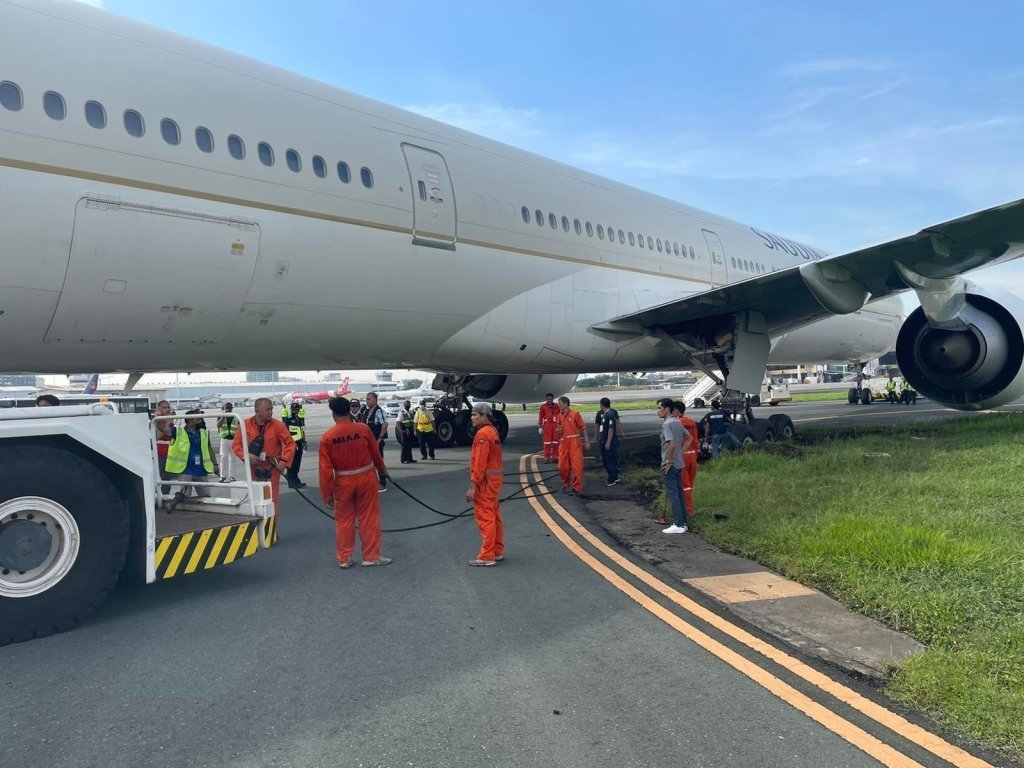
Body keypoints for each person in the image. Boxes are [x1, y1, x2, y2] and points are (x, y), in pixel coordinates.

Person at [318, 397, 391, 568]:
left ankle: (344, 558)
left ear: (333, 414)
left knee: (344, 520)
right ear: (349, 411)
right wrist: (382, 469)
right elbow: (375, 453)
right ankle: (371, 556)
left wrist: (327, 494)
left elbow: (325, 470)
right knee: (369, 517)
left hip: (343, 482)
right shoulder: (363, 429)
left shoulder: (327, 437)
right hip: (366, 478)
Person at [233, 397, 295, 536]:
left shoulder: (278, 425)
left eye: (271, 409)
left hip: (272, 468)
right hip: (254, 468)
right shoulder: (244, 425)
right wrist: (245, 456)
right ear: (257, 411)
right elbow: (236, 445)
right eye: (267, 410)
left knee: (272, 500)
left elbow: (290, 444)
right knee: (255, 498)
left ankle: (271, 530)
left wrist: (283, 462)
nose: (270, 412)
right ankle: (257, 530)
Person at [466, 402, 505, 567]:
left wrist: (473, 486)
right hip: (494, 480)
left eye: (474, 415)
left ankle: (487, 556)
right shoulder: (492, 431)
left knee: (485, 517)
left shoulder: (482, 434)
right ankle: (497, 550)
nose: (472, 418)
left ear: (484, 416)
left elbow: (480, 464)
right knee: (494, 516)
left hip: (485, 482)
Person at [166, 409, 218, 497]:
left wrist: (215, 464)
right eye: (197, 417)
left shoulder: (204, 433)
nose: (200, 419)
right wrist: (166, 418)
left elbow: (209, 448)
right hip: (186, 470)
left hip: (201, 470)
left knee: (206, 497)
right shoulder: (178, 432)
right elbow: (164, 429)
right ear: (190, 420)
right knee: (185, 497)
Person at [657, 398, 690, 534]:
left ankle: (678, 524)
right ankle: (683, 522)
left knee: (673, 494)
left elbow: (671, 444)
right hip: (679, 463)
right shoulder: (677, 421)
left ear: (667, 409)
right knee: (680, 493)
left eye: (659, 408)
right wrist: (680, 454)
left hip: (670, 465)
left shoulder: (667, 424)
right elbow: (689, 438)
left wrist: (669, 461)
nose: (658, 411)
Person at [555, 396, 590, 494]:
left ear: (565, 404)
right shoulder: (559, 416)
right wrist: (558, 430)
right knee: (562, 466)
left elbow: (583, 428)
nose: (558, 405)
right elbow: (559, 429)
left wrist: (587, 441)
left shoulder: (575, 414)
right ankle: (566, 482)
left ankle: (577, 487)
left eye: (560, 403)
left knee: (576, 466)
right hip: (563, 443)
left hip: (574, 442)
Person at [673, 401, 700, 519]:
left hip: (682, 455)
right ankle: (688, 506)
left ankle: (687, 509)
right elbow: (695, 440)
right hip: (692, 455)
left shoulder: (676, 423)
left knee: (684, 485)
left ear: (676, 411)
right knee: (690, 484)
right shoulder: (692, 422)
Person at [364, 392, 389, 491]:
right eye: (367, 399)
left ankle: (382, 483)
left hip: (376, 441)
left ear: (375, 400)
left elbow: (385, 424)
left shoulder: (379, 411)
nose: (367, 401)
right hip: (368, 442)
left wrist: (379, 439)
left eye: (369, 399)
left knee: (378, 461)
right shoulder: (366, 411)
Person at [281, 402, 308, 488]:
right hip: (292, 444)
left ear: (298, 410)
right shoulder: (288, 420)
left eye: (296, 409)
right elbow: (284, 433)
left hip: (299, 443)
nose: (294, 411)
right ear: (290, 410)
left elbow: (302, 431)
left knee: (297, 464)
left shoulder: (299, 419)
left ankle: (295, 480)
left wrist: (304, 441)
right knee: (292, 464)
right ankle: (293, 482)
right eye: (293, 409)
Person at [596, 397, 621, 486]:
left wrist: (608, 442)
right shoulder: (606, 414)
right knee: (610, 460)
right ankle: (615, 477)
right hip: (604, 439)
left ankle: (611, 480)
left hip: (608, 441)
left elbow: (611, 429)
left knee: (609, 460)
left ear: (601, 405)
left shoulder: (609, 414)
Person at [153, 399, 174, 494]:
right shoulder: (157, 421)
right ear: (159, 409)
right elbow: (159, 435)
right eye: (164, 407)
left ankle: (165, 495)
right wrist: (168, 422)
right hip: (161, 452)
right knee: (163, 475)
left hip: (171, 451)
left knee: (167, 476)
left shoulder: (169, 420)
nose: (167, 409)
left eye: (168, 407)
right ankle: (161, 495)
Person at [216, 402, 239, 482]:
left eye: (229, 408)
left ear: (232, 408)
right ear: (223, 408)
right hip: (224, 439)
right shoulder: (220, 416)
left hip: (233, 439)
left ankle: (231, 476)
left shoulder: (235, 416)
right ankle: (223, 476)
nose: (228, 410)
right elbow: (218, 425)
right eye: (226, 408)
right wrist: (223, 416)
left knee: (233, 458)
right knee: (223, 457)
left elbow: (239, 428)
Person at [537, 393, 560, 463]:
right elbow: (541, 417)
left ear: (553, 399)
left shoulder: (557, 406)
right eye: (548, 399)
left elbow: (560, 416)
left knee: (556, 442)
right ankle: (546, 458)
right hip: (547, 426)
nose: (549, 400)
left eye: (551, 399)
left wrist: (560, 425)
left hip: (555, 425)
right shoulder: (543, 407)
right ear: (546, 399)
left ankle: (555, 457)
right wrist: (540, 427)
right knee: (547, 442)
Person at [395, 399, 418, 464]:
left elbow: (413, 422)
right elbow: (398, 422)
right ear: (404, 405)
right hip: (404, 430)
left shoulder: (411, 412)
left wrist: (414, 430)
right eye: (407, 404)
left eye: (409, 404)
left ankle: (410, 458)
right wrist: (400, 430)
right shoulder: (401, 413)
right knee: (404, 445)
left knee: (410, 445)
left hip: (410, 430)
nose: (408, 405)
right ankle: (403, 459)